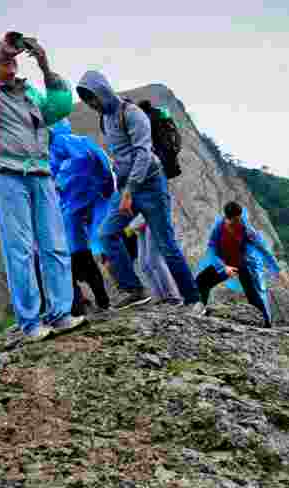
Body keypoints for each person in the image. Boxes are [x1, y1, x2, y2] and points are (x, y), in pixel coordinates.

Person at [0, 31, 82, 340]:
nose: (10, 64)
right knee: (20, 250)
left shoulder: (31, 95)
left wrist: (45, 65)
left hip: (40, 173)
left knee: (55, 245)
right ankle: (31, 321)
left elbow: (59, 108)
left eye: (13, 59)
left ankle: (61, 313)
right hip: (6, 175)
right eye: (4, 60)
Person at [76, 70, 202, 312]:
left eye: (93, 97)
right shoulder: (105, 118)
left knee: (166, 245)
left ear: (104, 91)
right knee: (106, 235)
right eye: (87, 100)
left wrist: (129, 191)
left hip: (151, 186)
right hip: (126, 187)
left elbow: (143, 154)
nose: (92, 104)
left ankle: (193, 299)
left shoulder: (132, 114)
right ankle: (135, 290)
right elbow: (121, 154)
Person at [48, 118, 114, 315]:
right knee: (85, 266)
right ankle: (100, 304)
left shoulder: (64, 144)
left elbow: (78, 165)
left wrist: (61, 180)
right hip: (73, 224)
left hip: (70, 227)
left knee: (72, 269)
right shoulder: (77, 143)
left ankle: (82, 308)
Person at [194, 201, 280, 328]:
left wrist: (277, 270)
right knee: (201, 282)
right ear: (229, 218)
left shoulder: (246, 229)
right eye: (237, 219)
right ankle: (202, 310)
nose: (240, 221)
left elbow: (262, 249)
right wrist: (223, 267)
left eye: (240, 218)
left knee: (253, 295)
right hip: (223, 264)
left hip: (240, 263)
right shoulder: (219, 228)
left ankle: (267, 325)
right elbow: (212, 249)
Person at [125, 215, 182, 304]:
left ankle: (173, 295)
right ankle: (159, 296)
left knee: (154, 259)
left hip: (153, 215)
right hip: (139, 222)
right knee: (144, 264)